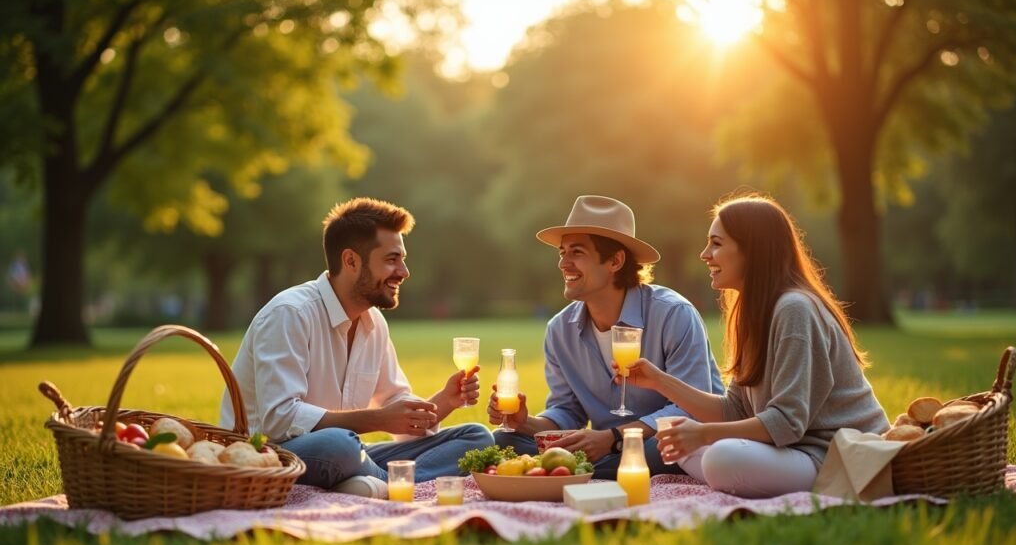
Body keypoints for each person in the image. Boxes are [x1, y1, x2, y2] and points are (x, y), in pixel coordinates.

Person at [222, 197, 493, 497]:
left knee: (477, 437)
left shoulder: (373, 322)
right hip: (271, 454)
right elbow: (279, 418)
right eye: (392, 259)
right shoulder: (290, 313)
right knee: (338, 444)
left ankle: (371, 483)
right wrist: (377, 419)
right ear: (351, 261)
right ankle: (389, 485)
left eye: (402, 259)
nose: (404, 271)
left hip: (351, 453)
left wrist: (443, 402)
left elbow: (395, 402)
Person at [626, 193, 890, 498]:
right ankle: (737, 475)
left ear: (752, 250)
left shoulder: (794, 309)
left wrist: (704, 434)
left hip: (834, 456)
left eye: (716, 243)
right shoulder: (755, 312)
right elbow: (734, 409)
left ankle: (736, 475)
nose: (705, 254)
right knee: (676, 433)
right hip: (789, 450)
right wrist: (658, 380)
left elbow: (787, 422)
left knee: (721, 457)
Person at [487, 195, 724, 479]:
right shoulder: (560, 330)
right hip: (604, 445)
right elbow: (567, 411)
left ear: (615, 260)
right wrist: (527, 423)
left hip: (667, 440)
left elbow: (690, 409)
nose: (563, 263)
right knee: (503, 440)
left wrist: (614, 437)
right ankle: (576, 469)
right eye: (562, 252)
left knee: (659, 448)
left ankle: (572, 470)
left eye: (576, 252)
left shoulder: (673, 314)